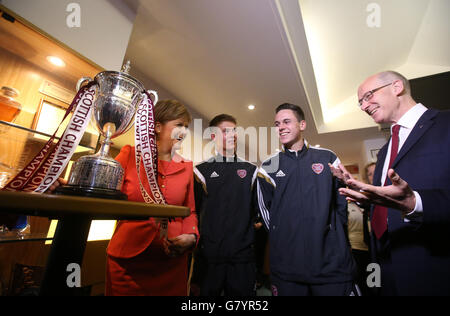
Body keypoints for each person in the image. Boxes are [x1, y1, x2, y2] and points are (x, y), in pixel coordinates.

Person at [334, 71, 450, 295]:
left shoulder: (446, 125)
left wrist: (415, 203)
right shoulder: (385, 151)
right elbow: (389, 204)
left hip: (433, 267)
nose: (363, 106)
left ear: (397, 87)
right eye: (360, 102)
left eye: (368, 96)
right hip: (386, 265)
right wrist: (368, 198)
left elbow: (408, 200)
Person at [256, 103, 356, 296]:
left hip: (330, 263)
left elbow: (341, 201)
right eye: (277, 124)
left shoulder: (327, 157)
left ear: (302, 125)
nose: (281, 127)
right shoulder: (268, 167)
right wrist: (284, 235)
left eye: (286, 121)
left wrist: (335, 234)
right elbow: (266, 212)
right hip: (288, 266)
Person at [105, 99, 199, 296]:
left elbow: (190, 211)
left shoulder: (187, 167)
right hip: (129, 262)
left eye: (186, 127)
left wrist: (191, 235)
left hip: (171, 263)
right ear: (157, 127)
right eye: (179, 125)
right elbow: (103, 190)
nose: (184, 131)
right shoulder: (130, 155)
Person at [192, 114, 258, 296]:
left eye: (234, 131)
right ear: (213, 136)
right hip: (209, 258)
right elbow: (194, 213)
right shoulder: (200, 171)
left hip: (242, 259)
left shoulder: (251, 170)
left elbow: (257, 212)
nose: (232, 135)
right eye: (226, 131)